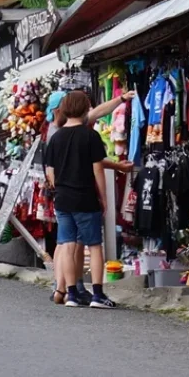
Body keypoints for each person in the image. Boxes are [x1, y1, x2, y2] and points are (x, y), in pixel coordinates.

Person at [48, 90, 135, 306]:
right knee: (94, 246)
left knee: (68, 246)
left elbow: (51, 172)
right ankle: (97, 294)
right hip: (85, 197)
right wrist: (104, 197)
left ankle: (71, 294)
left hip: (63, 200)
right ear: (86, 108)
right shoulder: (90, 136)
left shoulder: (55, 137)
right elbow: (97, 169)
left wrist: (59, 187)